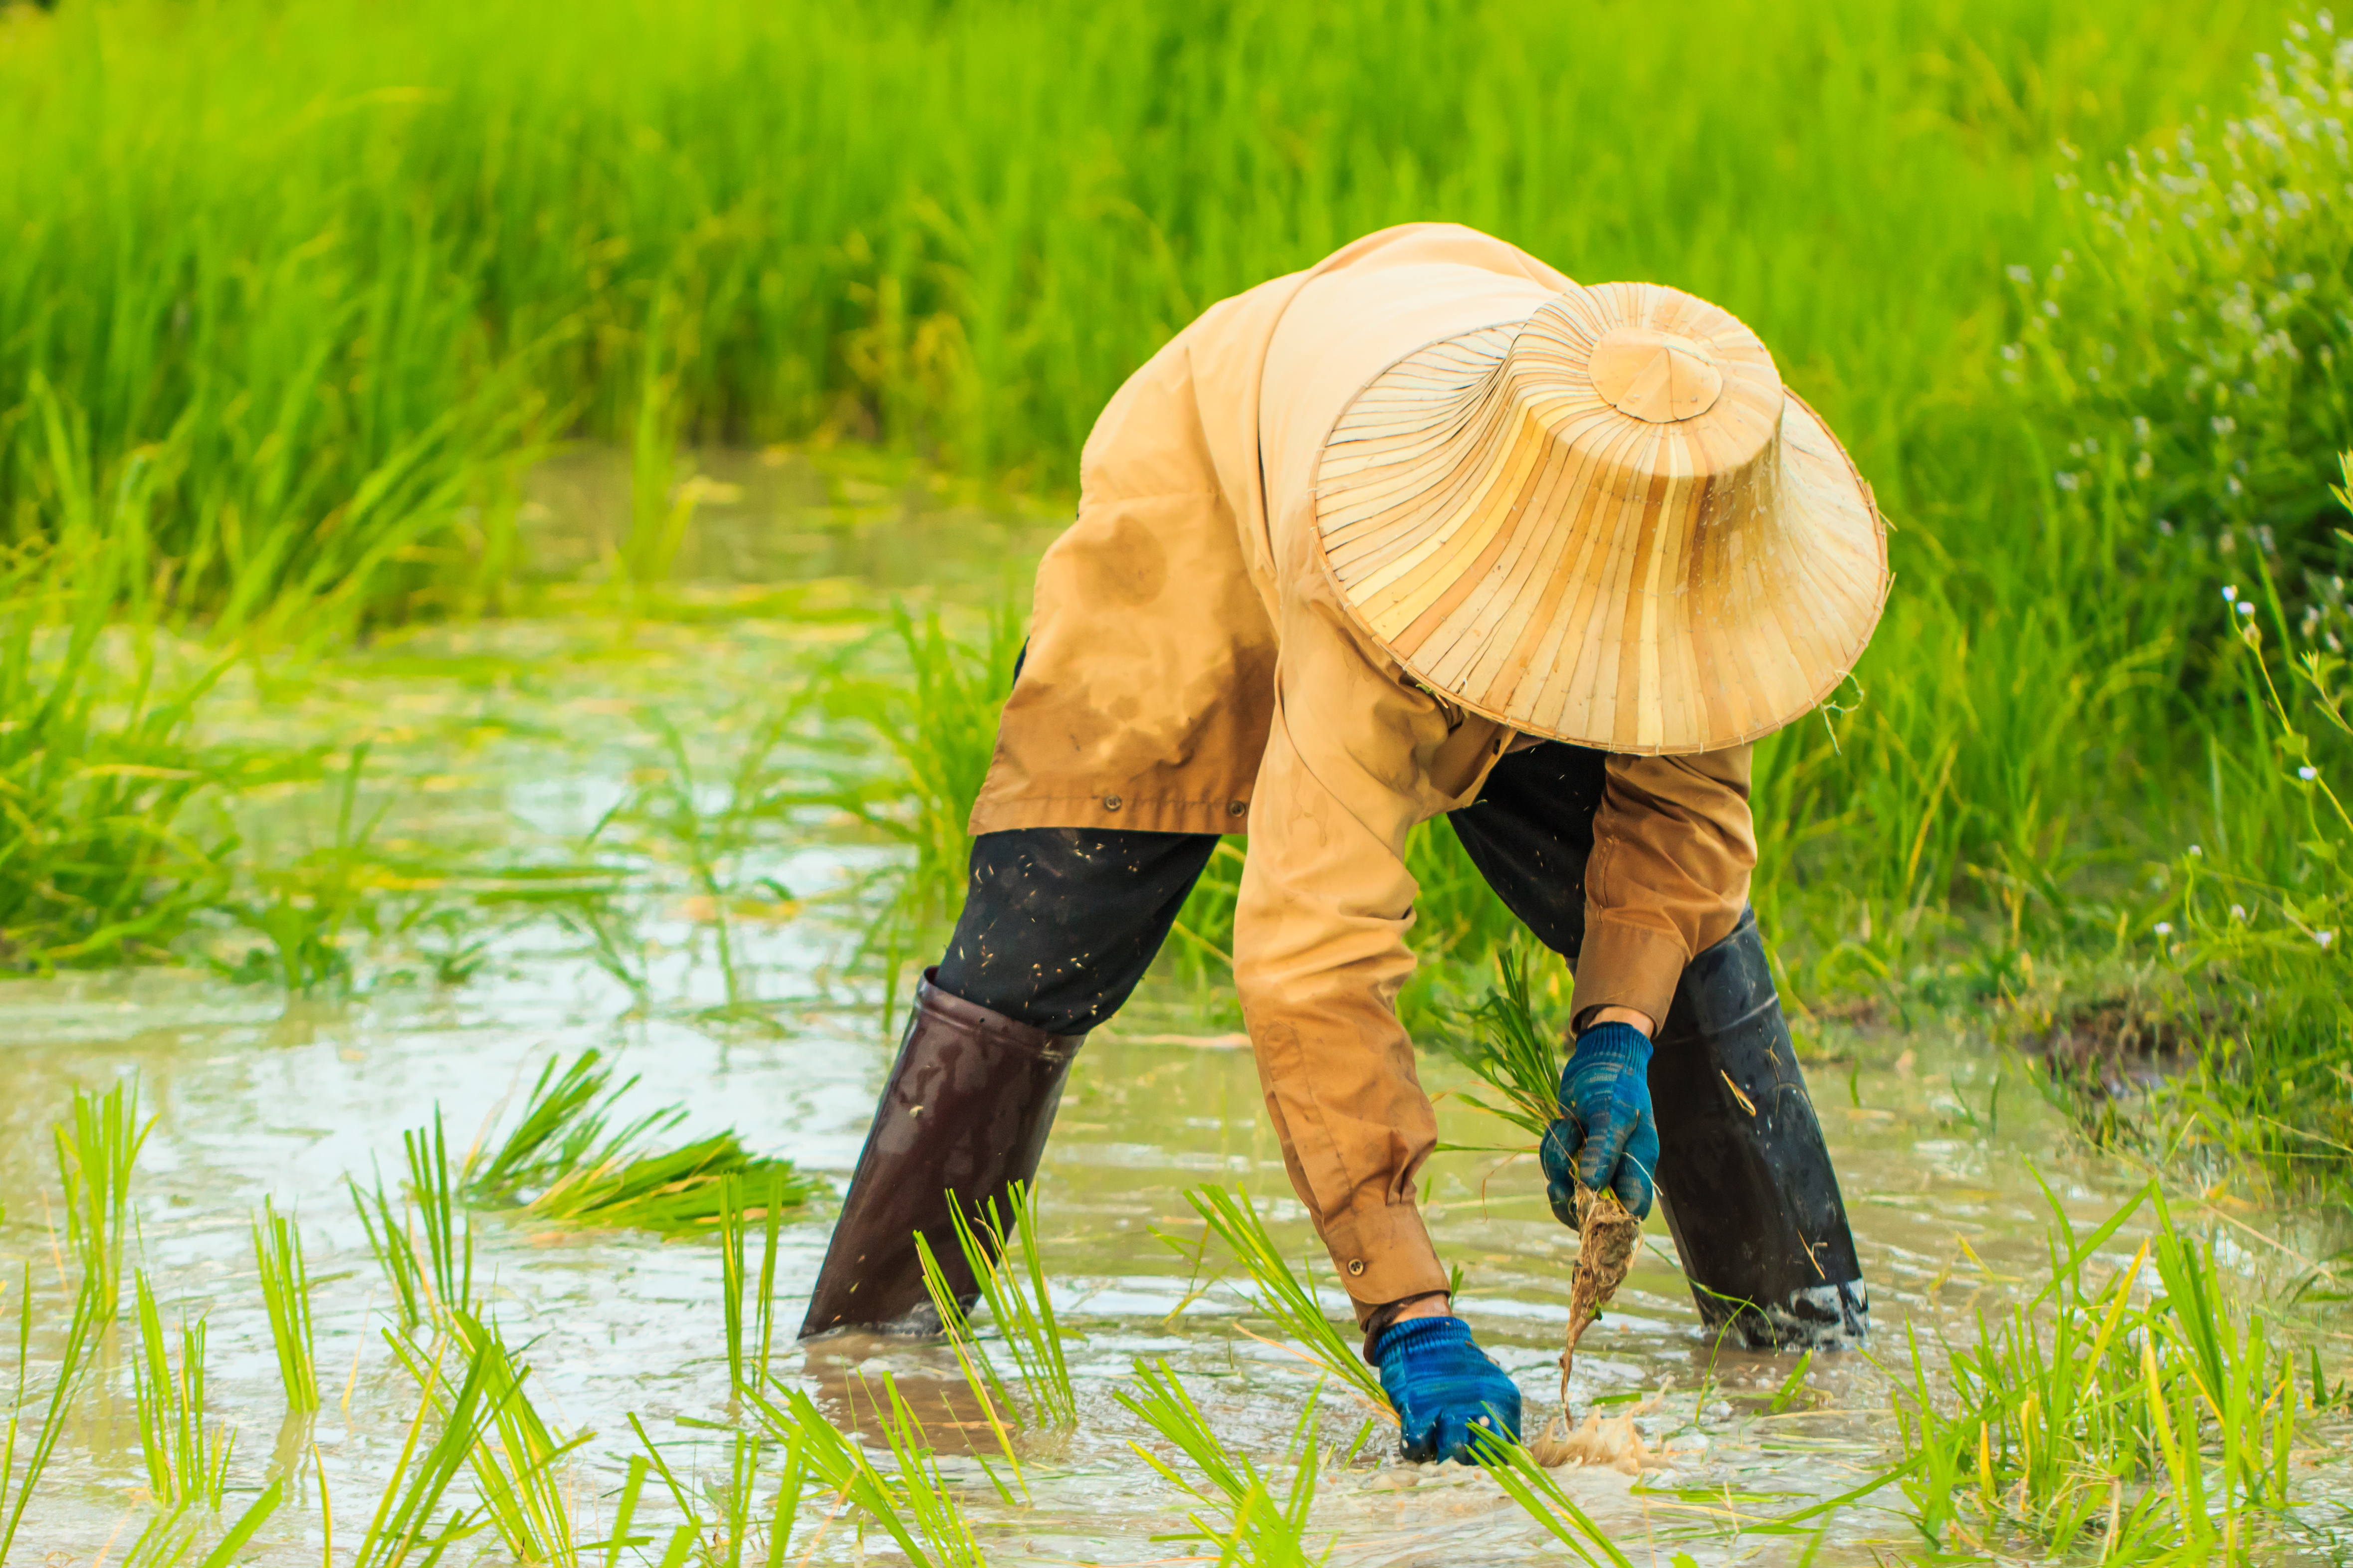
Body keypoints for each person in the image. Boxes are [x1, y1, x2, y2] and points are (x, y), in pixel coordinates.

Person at [799, 223, 1888, 1464]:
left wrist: (1618, 1033)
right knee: (1042, 940)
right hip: (1221, 492)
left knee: (1687, 944)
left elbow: (1681, 824)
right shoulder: (1367, 573)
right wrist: (1407, 1307)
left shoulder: (1685, 513)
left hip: (1486, 411)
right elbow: (1312, 955)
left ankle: (1806, 1351)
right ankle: (865, 1352)